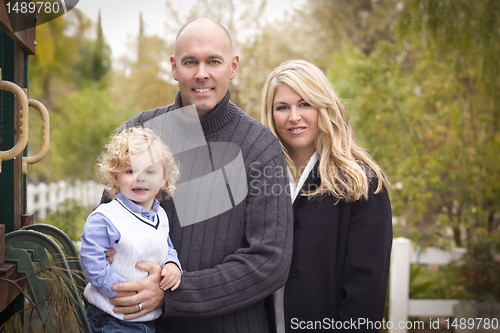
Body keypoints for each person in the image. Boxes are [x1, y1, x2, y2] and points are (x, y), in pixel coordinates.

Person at [101, 18, 293, 332]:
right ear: (175, 68)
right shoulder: (140, 132)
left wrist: (172, 294)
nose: (201, 73)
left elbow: (269, 262)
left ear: (232, 67)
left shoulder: (261, 148)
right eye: (191, 62)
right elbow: (107, 227)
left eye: (213, 61)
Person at [261, 60, 393, 332]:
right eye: (282, 107)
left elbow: (366, 292)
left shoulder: (362, 183)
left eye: (305, 103)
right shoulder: (259, 179)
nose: (294, 116)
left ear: (324, 107)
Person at [81, 127, 182, 332]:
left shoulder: (160, 215)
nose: (140, 178)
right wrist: (116, 289)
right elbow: (91, 258)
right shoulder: (107, 217)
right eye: (130, 171)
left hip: (147, 320)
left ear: (164, 178)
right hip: (112, 317)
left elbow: (166, 246)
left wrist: (172, 264)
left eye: (150, 172)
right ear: (115, 177)